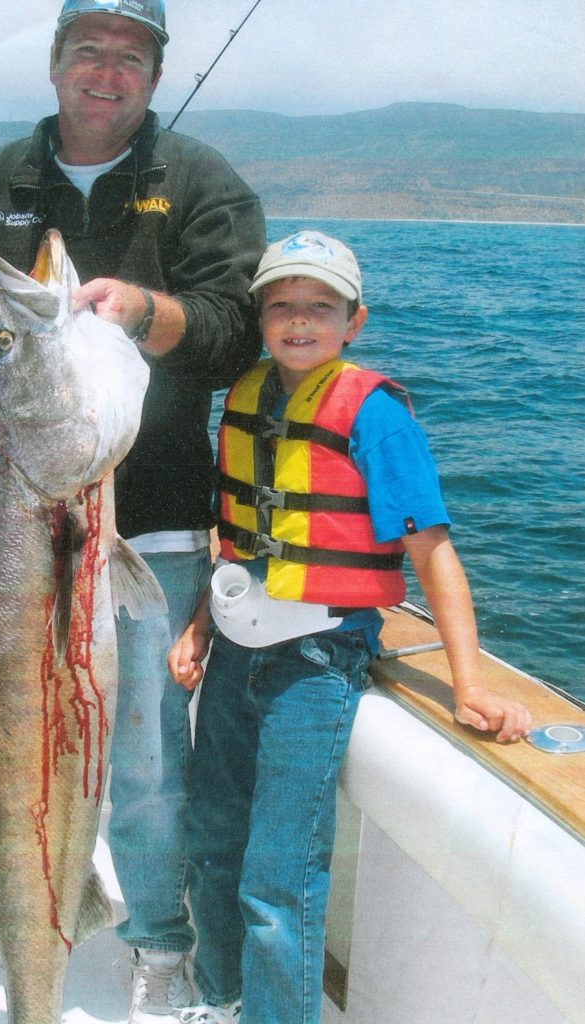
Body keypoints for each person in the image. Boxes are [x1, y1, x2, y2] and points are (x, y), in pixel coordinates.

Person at [0, 2, 265, 1020]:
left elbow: (238, 328)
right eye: (87, 51)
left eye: (128, 56)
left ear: (152, 75)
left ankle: (156, 933)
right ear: (55, 63)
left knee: (146, 759)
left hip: (148, 515)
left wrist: (143, 314)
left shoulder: (197, 184)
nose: (104, 72)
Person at [167, 229, 533, 1024]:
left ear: (353, 321)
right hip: (233, 651)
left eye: (319, 307)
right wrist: (197, 627)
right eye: (282, 307)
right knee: (211, 837)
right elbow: (235, 534)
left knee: (278, 873)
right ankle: (217, 998)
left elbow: (430, 549)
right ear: (259, 318)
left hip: (316, 660)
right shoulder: (242, 394)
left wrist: (468, 685)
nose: (300, 322)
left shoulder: (375, 414)